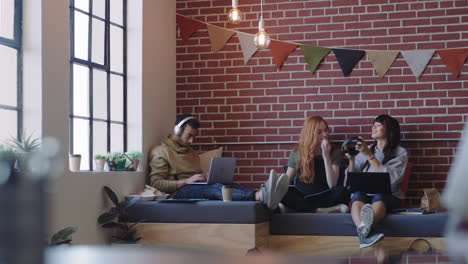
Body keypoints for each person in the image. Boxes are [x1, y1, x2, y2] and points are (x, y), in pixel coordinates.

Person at [148, 113, 289, 210]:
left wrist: (205, 176)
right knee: (215, 189)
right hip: (178, 192)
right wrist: (186, 181)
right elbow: (156, 184)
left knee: (228, 184)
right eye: (189, 136)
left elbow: (194, 176)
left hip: (194, 186)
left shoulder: (190, 151)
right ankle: (259, 196)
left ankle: (264, 193)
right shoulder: (161, 151)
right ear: (177, 131)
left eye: (194, 137)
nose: (192, 141)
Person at [346, 114, 408, 248]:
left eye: (378, 125)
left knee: (379, 196)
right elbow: (351, 178)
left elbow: (391, 180)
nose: (373, 127)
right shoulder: (366, 149)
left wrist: (369, 155)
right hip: (365, 194)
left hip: (389, 195)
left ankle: (363, 232)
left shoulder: (400, 152)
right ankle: (364, 232)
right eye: (373, 124)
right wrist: (351, 160)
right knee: (357, 194)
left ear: (389, 130)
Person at [280, 116, 350, 213]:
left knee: (343, 192)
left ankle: (301, 208)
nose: (325, 134)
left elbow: (332, 184)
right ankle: (319, 210)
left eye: (326, 130)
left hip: (324, 196)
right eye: (320, 132)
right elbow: (287, 180)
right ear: (310, 134)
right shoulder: (297, 153)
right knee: (282, 192)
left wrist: (326, 156)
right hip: (303, 196)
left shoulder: (334, 152)